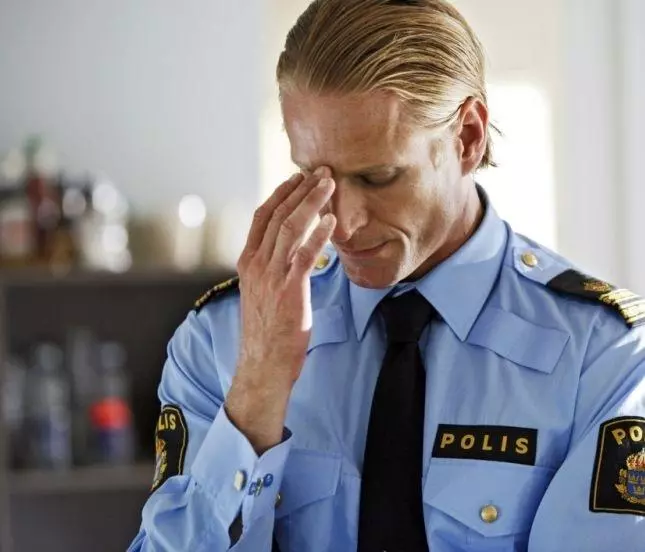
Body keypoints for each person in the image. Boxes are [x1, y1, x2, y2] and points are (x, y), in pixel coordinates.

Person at [128, 1, 645, 551]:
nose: (343, 224)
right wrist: (257, 390)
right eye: (314, 177)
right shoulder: (221, 339)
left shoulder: (603, 353)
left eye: (378, 177)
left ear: (468, 138)